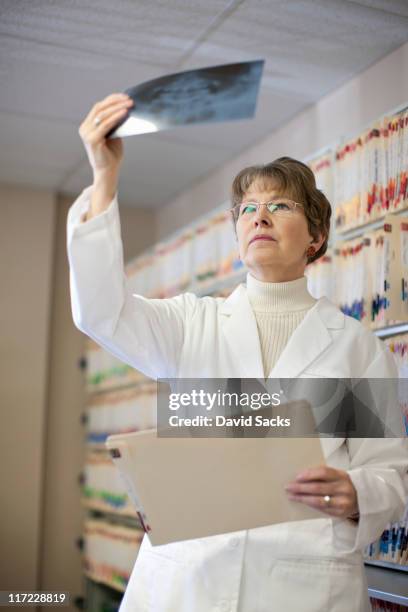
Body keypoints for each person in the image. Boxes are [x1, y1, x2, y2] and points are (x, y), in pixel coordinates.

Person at [67, 93, 408, 612]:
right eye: (247, 208)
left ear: (315, 237)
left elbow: (389, 471)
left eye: (280, 206)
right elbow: (100, 312)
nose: (259, 216)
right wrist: (104, 174)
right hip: (189, 580)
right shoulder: (191, 325)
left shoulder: (353, 348)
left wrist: (359, 493)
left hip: (304, 584)